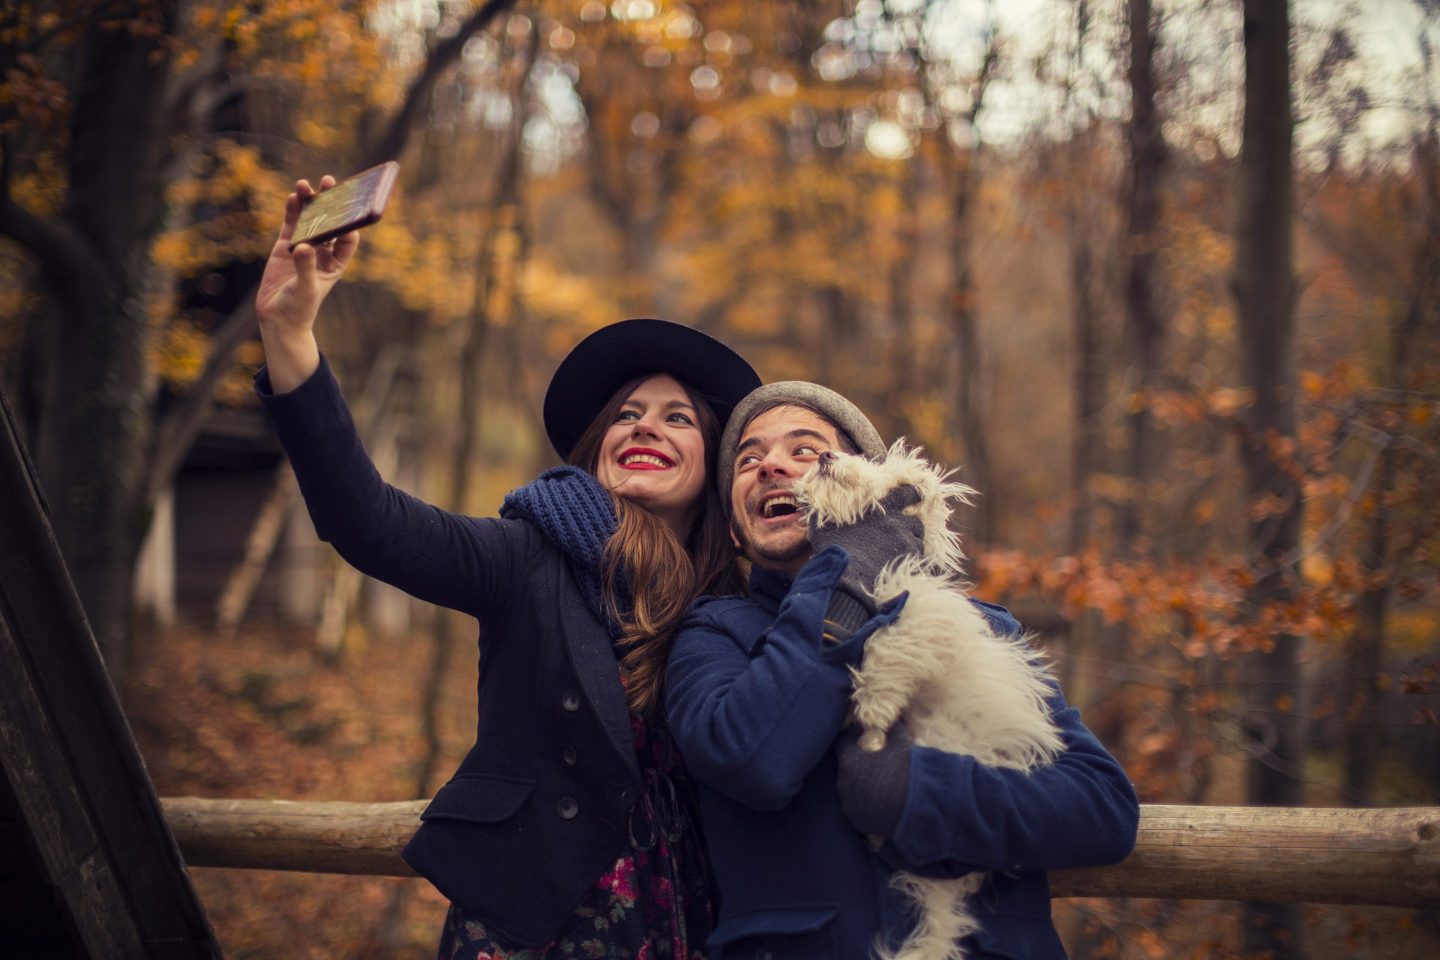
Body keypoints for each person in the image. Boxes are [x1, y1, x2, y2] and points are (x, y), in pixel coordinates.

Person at [253, 177, 762, 959]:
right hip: (535, 923)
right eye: (625, 414)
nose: (644, 427)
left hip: (691, 920)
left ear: (713, 458)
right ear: (596, 447)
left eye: (676, 416)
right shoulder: (528, 552)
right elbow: (371, 522)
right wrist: (291, 337)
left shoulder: (737, 594)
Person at [665, 382, 1140, 960]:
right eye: (748, 459)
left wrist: (917, 793)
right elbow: (752, 758)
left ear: (869, 486)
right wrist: (848, 580)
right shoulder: (713, 635)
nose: (770, 466)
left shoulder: (979, 628)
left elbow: (1102, 809)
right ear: (736, 530)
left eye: (806, 450)